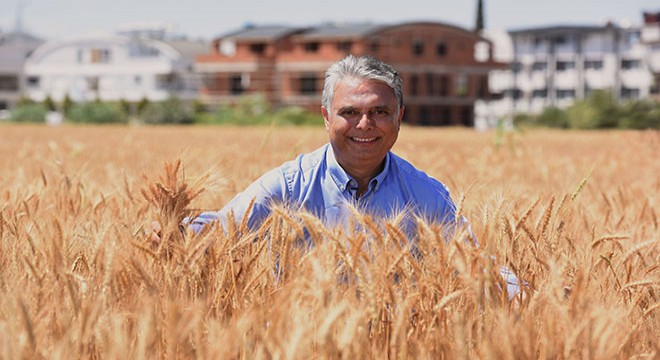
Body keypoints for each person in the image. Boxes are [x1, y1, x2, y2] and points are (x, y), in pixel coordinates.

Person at [152, 54, 521, 297]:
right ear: (326, 116)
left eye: (380, 111)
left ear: (399, 117)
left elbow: (473, 261)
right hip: (304, 342)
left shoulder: (425, 194)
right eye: (350, 112)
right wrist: (173, 231)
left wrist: (528, 291)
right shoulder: (289, 185)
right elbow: (223, 228)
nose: (365, 124)